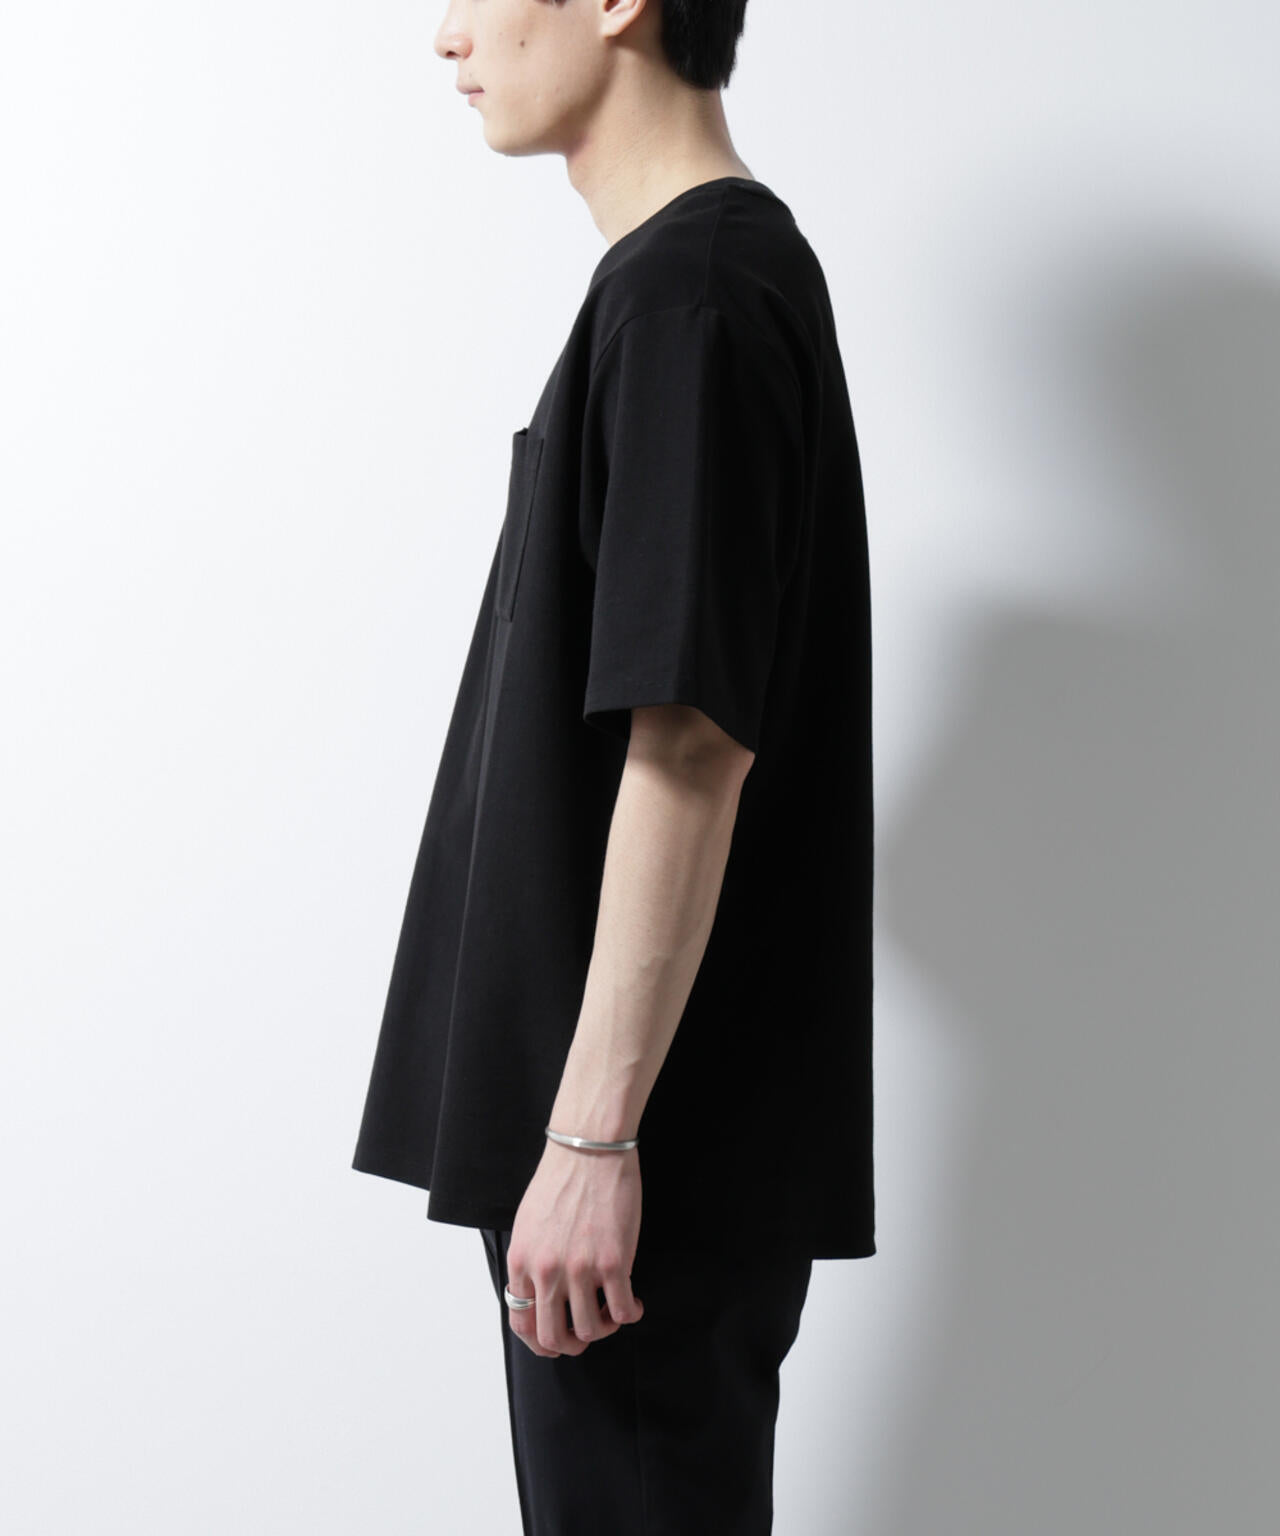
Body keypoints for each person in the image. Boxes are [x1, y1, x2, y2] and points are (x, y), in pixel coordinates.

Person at [352, 1, 876, 1530]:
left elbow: (690, 740)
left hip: (641, 1168)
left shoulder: (692, 299)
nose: (446, 36)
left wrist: (592, 1137)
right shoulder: (680, 287)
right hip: (633, 1155)